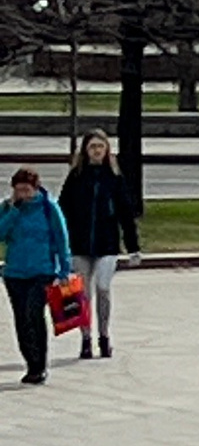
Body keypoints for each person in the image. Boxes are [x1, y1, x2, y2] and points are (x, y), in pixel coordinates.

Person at [60, 132, 138, 360]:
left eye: (100, 147)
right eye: (92, 146)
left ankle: (104, 336)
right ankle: (85, 339)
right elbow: (62, 212)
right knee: (83, 293)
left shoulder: (114, 178)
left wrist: (133, 247)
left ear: (106, 150)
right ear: (85, 150)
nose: (96, 151)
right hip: (80, 245)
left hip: (107, 244)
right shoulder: (76, 177)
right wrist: (61, 247)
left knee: (103, 287)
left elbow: (126, 214)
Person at [1, 167, 73, 387]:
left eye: (27, 190)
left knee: (33, 314)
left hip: (42, 271)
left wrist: (64, 270)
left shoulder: (48, 208)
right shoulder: (8, 208)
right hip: (15, 272)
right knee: (21, 319)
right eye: (19, 190)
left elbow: (61, 239)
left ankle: (39, 364)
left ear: (36, 188)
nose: (23, 194)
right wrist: (13, 211)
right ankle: (30, 362)